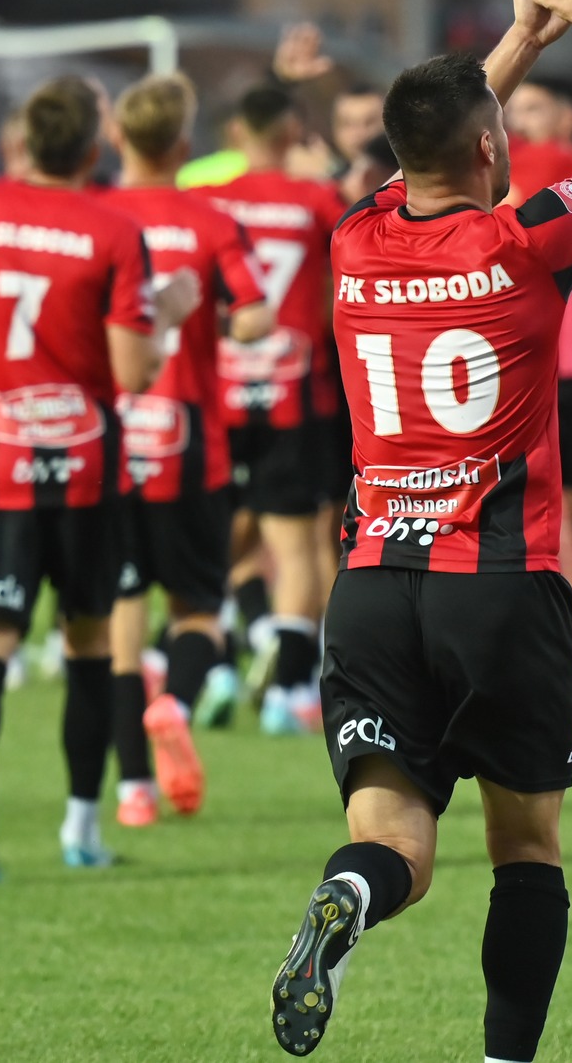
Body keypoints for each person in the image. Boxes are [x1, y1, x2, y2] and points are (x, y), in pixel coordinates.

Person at [268, 0, 572, 1062]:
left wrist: (515, 43)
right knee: (525, 849)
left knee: (393, 841)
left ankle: (350, 899)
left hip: (371, 586)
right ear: (493, 147)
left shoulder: (356, 239)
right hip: (498, 583)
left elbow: (432, 138)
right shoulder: (525, 242)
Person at [0, 75, 181, 880]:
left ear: (25, 142)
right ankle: (81, 828)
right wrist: (169, 313)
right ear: (94, 147)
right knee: (89, 641)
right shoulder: (113, 230)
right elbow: (133, 372)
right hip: (85, 470)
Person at [102, 74, 273, 828]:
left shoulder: (95, 216)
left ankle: (133, 791)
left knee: (120, 619)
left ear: (117, 138)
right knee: (199, 608)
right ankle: (174, 699)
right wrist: (220, 325)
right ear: (183, 143)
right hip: (189, 440)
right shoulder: (210, 222)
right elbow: (257, 315)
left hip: (110, 442)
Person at [209, 84, 348, 736]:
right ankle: (287, 688)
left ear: (238, 131)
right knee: (298, 547)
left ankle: (223, 658)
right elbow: (352, 267)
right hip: (295, 391)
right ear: (294, 132)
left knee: (220, 537)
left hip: (218, 392)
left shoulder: (207, 201)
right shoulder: (316, 199)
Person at [505, 83, 572, 718]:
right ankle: (564, 658)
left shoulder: (563, 167)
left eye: (534, 108)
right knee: (536, 522)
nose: (521, 121)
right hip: (535, 370)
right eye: (515, 110)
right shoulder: (519, 167)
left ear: (565, 117)